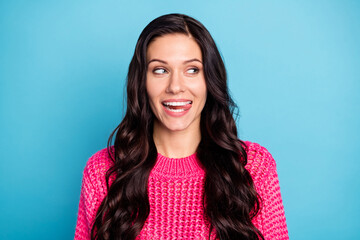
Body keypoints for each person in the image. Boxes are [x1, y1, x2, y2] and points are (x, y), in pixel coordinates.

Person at [74, 13, 289, 240]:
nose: (175, 87)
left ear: (210, 80)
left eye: (192, 70)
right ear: (141, 82)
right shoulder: (102, 171)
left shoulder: (254, 166)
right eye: (160, 70)